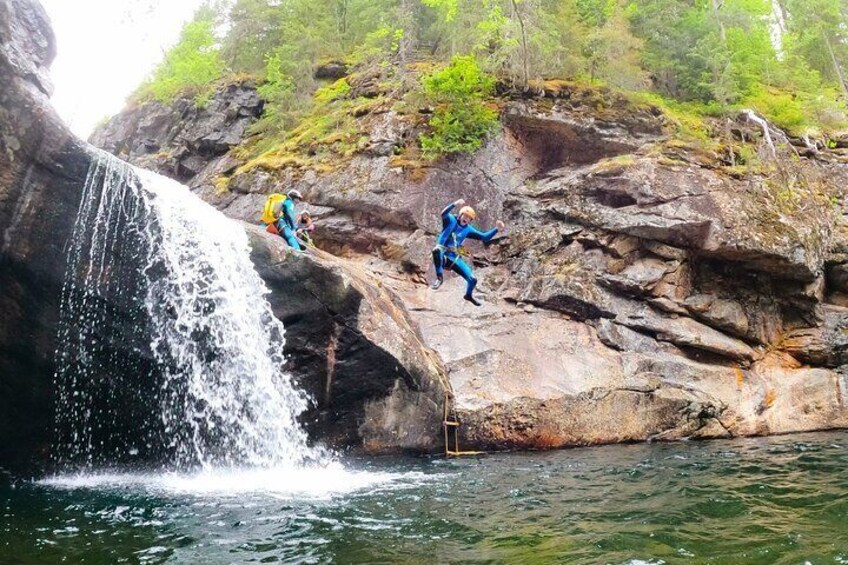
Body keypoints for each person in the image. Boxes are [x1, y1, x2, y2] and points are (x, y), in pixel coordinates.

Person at [431, 198, 505, 306]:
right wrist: (454, 204)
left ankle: (468, 295)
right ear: (460, 215)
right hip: (442, 254)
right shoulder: (450, 220)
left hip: (454, 257)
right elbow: (443, 213)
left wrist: (496, 229)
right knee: (437, 250)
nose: (466, 218)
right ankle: (439, 278)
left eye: (469, 218)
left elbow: (484, 237)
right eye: (465, 215)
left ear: (470, 221)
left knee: (473, 279)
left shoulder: (469, 229)